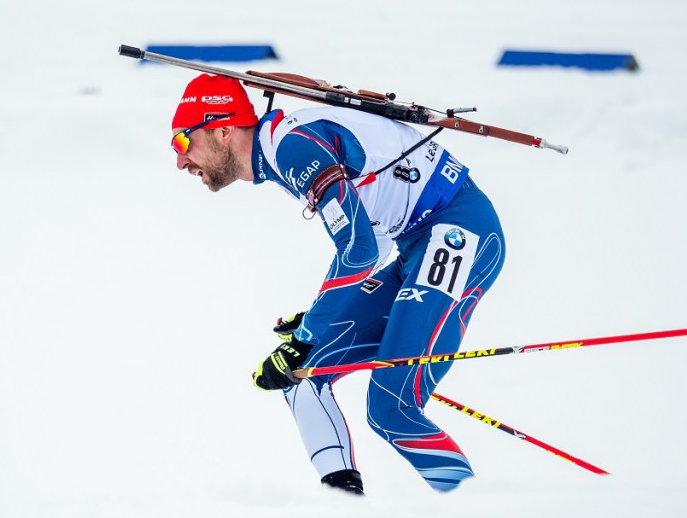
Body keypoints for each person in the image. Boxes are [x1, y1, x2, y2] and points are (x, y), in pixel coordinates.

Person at [170, 74, 506, 495]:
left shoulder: (291, 148)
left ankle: (471, 503)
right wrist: (317, 319)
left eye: (183, 143)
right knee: (302, 374)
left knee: (392, 409)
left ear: (222, 128)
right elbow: (373, 233)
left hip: (459, 233)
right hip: (413, 246)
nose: (181, 161)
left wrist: (310, 332)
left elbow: (359, 249)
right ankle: (343, 501)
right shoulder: (280, 152)